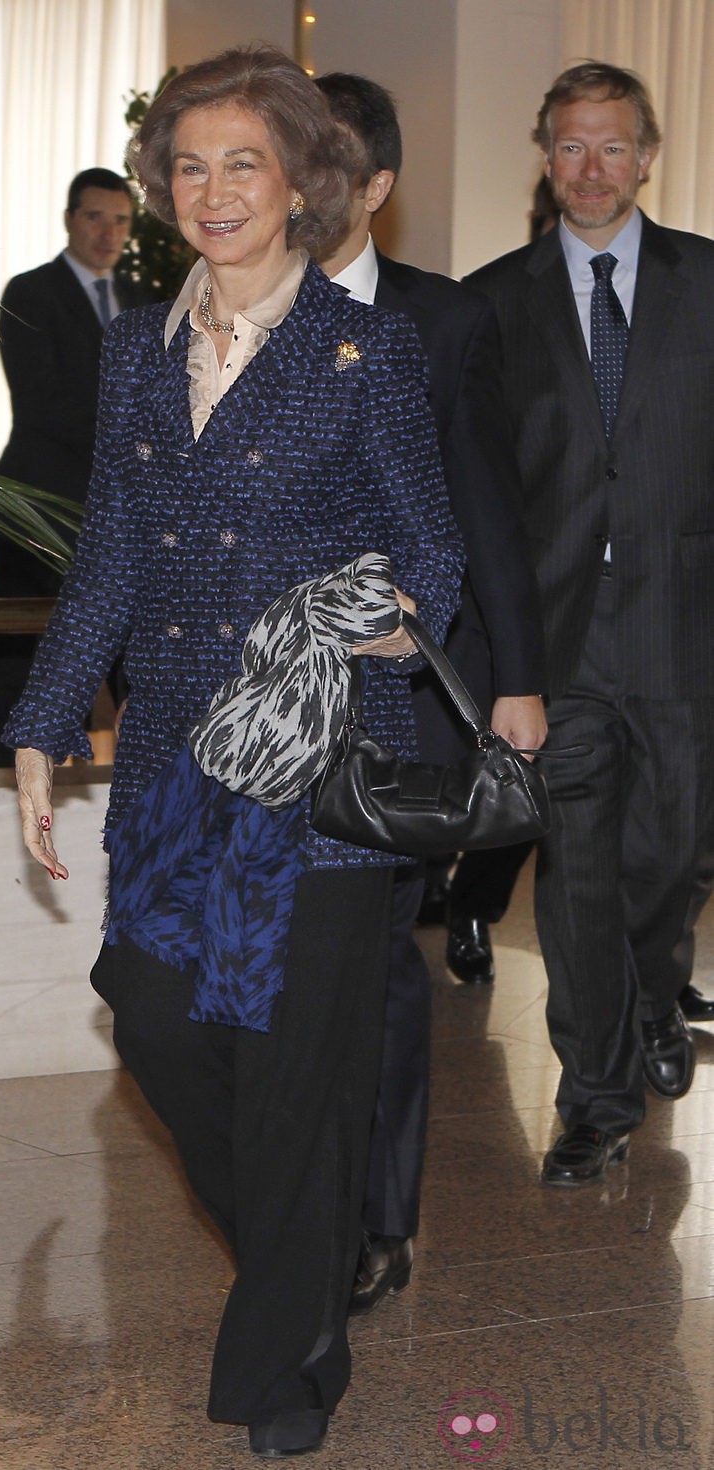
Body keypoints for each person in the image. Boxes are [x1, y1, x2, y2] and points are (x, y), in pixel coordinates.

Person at [3, 45, 464, 1459]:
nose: (212, 191)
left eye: (242, 164)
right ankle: (307, 1258)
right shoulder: (138, 346)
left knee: (294, 1064)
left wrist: (386, 624)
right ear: (163, 188)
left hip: (319, 760)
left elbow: (430, 551)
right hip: (170, 771)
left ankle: (284, 1376)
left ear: (301, 182)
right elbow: (112, 560)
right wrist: (42, 722)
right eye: (188, 166)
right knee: (151, 1013)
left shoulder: (366, 347)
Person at [313, 72, 546, 1312]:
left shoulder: (439, 322)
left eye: (322, 160)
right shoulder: (207, 304)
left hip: (391, 704)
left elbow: (485, 509)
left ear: (376, 185)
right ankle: (290, 1191)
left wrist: (514, 682)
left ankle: (375, 1215)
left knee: (371, 960)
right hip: (242, 707)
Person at [466, 61, 714, 1186]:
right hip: (556, 637)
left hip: (683, 626)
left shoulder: (707, 282)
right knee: (574, 872)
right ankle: (594, 1094)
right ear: (545, 154)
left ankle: (654, 992)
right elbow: (472, 479)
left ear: (645, 155)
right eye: (568, 145)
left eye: (610, 146)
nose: (588, 169)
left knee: (666, 860)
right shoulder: (495, 300)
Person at [0, 168, 148, 766]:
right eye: (95, 217)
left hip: (124, 508)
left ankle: (145, 774)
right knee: (23, 652)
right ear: (71, 219)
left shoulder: (143, 297)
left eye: (121, 220)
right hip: (40, 504)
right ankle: (1, 768)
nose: (108, 232)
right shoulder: (30, 292)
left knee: (136, 646)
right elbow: (43, 402)